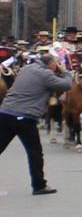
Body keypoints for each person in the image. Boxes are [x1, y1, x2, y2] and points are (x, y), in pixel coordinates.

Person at [0, 48, 70, 195]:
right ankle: (39, 185)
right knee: (35, 152)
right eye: (55, 63)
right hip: (24, 117)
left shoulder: (26, 68)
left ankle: (39, 185)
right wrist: (65, 72)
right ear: (51, 64)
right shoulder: (45, 74)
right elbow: (66, 85)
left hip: (5, 112)